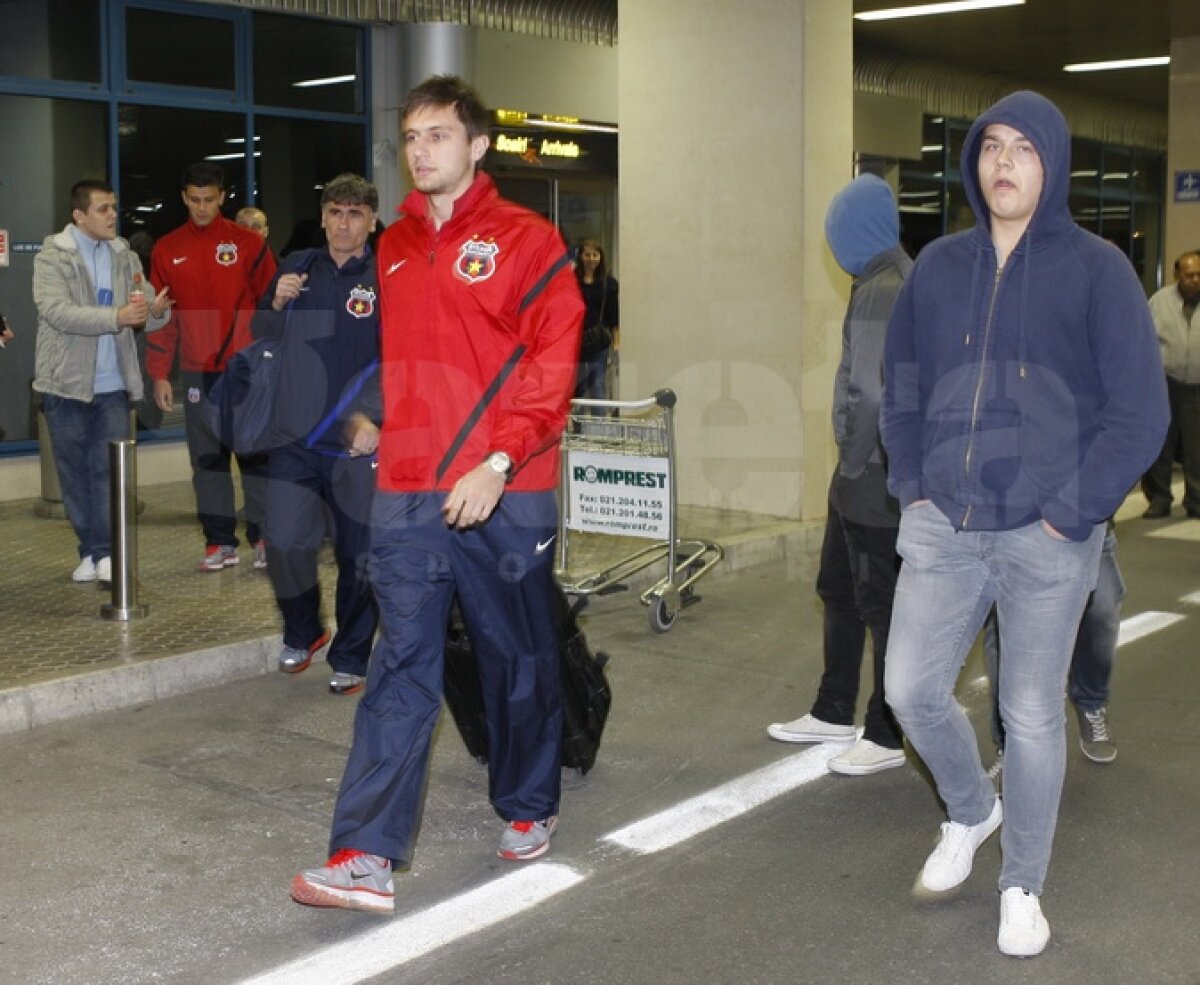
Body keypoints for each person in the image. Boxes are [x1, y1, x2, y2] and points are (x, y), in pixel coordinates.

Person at [879, 90, 1167, 957]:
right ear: (973, 163)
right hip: (944, 524)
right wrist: (912, 480)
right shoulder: (937, 267)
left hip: (1048, 533)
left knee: (1031, 713)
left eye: (1023, 149)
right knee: (909, 690)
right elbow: (899, 382)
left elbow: (1140, 414)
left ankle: (1021, 883)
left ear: (1053, 163)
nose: (1003, 162)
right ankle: (973, 811)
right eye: (990, 147)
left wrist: (1073, 511)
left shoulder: (1097, 270)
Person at [290, 75, 583, 914]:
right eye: (411, 137)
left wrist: (498, 456)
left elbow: (552, 361)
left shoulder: (528, 240)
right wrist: (366, 417)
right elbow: (405, 353)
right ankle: (364, 854)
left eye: (439, 135)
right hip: (410, 493)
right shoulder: (394, 246)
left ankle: (529, 802)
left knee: (515, 656)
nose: (421, 150)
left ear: (478, 144)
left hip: (505, 488)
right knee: (401, 666)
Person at [767, 174, 910, 776]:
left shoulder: (885, 286)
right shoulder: (880, 280)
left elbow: (872, 394)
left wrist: (852, 462)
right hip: (860, 473)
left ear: (858, 231)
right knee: (842, 590)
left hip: (872, 476)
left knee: (881, 604)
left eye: (835, 233)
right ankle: (832, 709)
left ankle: (887, 730)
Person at [252, 174, 381, 696]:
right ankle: (305, 631)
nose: (343, 222)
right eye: (335, 211)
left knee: (359, 555)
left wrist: (375, 417)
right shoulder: (297, 267)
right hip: (295, 436)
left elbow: (403, 356)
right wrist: (275, 305)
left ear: (371, 221)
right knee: (283, 542)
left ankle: (350, 653)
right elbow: (260, 336)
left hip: (356, 442)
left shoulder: (387, 277)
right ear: (323, 216)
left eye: (354, 213)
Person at [32, 179, 172, 582]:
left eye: (114, 207)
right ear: (79, 215)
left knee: (107, 472)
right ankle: (90, 551)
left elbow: (141, 306)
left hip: (113, 387)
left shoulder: (123, 254)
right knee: (74, 474)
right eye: (103, 208)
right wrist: (116, 318)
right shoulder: (51, 257)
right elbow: (57, 312)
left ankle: (108, 552)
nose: (113, 215)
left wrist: (157, 310)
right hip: (65, 385)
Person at [146, 162, 277, 571]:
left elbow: (272, 304)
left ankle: (264, 538)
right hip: (197, 371)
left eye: (209, 200)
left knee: (255, 455)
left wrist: (272, 364)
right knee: (208, 461)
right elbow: (163, 318)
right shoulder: (167, 249)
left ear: (222, 197)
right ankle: (219, 542)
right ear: (184, 198)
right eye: (194, 200)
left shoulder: (249, 245)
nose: (202, 208)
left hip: (245, 369)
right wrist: (159, 373)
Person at [984, 522, 1125, 778]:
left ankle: (1091, 703)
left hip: (1083, 520)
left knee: (1101, 611)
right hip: (1010, 524)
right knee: (1005, 631)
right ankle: (1009, 745)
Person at [1141, 250, 1200, 519]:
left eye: (1199, 275)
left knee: (1195, 446)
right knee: (1160, 444)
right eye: (1190, 275)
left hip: (1197, 384)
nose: (1195, 279)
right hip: (1165, 383)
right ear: (1178, 275)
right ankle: (1159, 498)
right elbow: (1145, 341)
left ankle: (1196, 499)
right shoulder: (1160, 301)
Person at [573, 237, 618, 403]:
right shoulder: (569, 281)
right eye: (587, 255)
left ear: (601, 257)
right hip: (575, 342)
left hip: (598, 342)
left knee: (597, 385)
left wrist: (616, 342)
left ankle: (599, 429)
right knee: (575, 387)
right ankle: (576, 426)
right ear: (581, 256)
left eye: (595, 255)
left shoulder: (609, 283)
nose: (591, 259)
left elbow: (613, 315)